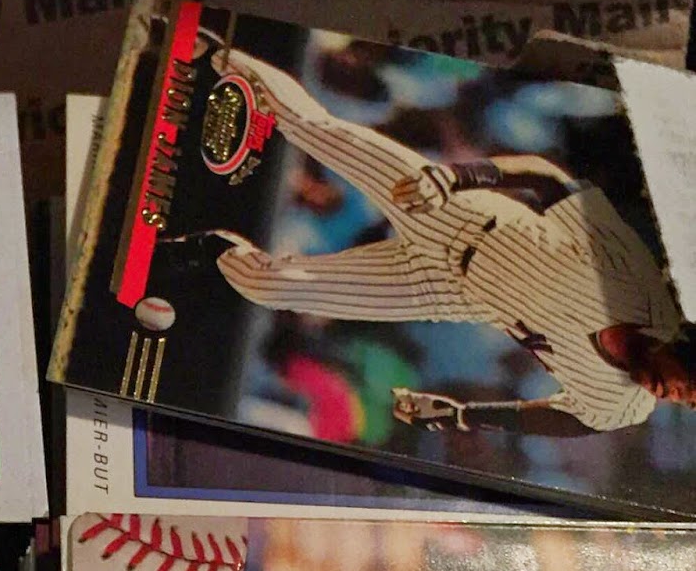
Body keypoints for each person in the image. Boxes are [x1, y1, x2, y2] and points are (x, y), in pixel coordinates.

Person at [193, 41, 691, 436]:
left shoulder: (621, 406)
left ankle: (191, 245)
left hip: (444, 292)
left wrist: (461, 416)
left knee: (268, 286)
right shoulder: (640, 281)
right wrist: (457, 177)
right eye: (691, 385)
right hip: (459, 213)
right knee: (313, 128)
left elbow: (559, 421)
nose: (680, 396)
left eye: (690, 403)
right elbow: (550, 180)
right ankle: (213, 51)